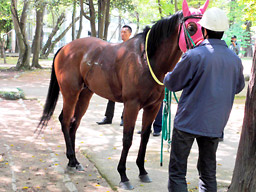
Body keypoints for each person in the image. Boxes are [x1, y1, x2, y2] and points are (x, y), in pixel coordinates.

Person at [163, 7, 245, 192]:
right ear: (223, 31)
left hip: (187, 123)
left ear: (204, 30)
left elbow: (172, 83)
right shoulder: (235, 59)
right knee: (208, 174)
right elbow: (238, 87)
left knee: (177, 172)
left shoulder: (193, 55)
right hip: (215, 125)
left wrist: (167, 75)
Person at [97, 25, 132, 126]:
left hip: (127, 77)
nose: (122, 34)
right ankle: (108, 117)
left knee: (126, 97)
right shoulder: (118, 46)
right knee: (111, 96)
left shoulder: (131, 47)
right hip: (116, 76)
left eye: (125, 32)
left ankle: (124, 118)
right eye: (121, 32)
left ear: (130, 34)